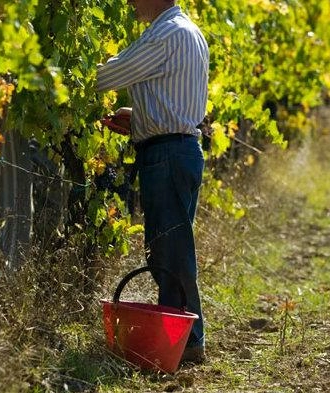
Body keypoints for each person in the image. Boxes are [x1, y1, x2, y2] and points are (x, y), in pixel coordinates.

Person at [96, 0, 209, 363]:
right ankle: (178, 337)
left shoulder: (165, 34)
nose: (128, 2)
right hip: (178, 148)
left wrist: (59, 77)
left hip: (168, 155)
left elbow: (107, 77)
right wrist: (140, 116)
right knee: (167, 248)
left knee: (172, 250)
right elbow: (172, 97)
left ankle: (188, 341)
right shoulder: (186, 30)